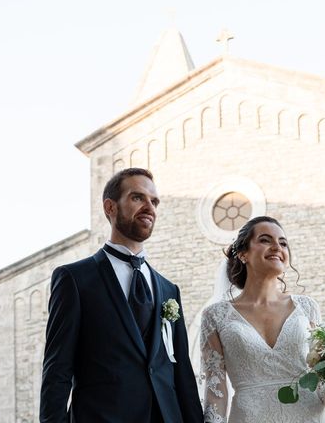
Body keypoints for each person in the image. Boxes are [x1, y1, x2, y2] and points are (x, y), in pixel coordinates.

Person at [40, 168, 203, 423]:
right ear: (110, 207)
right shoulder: (74, 279)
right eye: (138, 198)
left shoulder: (169, 289)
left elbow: (181, 371)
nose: (149, 207)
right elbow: (57, 370)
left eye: (154, 201)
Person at [200, 216, 325, 423]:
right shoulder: (215, 316)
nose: (277, 247)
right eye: (265, 240)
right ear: (243, 254)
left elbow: (318, 378)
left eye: (283, 243)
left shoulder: (307, 308)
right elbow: (216, 389)